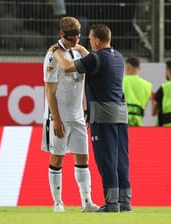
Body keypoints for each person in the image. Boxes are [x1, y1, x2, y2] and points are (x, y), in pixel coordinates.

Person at [51, 24, 132, 212]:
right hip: (121, 113)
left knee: (106, 159)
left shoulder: (95, 58)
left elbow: (67, 66)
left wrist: (55, 51)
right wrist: (80, 48)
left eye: (89, 38)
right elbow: (94, 60)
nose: (88, 41)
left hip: (103, 115)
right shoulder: (117, 57)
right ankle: (125, 202)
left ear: (96, 40)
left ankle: (111, 204)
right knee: (121, 158)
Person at [41, 16, 99, 213]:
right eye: (72, 37)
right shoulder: (52, 55)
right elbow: (49, 90)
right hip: (60, 116)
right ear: (61, 34)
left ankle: (86, 201)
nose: (76, 40)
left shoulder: (77, 51)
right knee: (57, 158)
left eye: (78, 36)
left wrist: (81, 48)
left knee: (83, 158)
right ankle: (57, 202)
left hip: (77, 115)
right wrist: (56, 119)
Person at [123, 57, 152, 126]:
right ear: (139, 68)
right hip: (138, 122)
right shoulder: (147, 85)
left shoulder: (119, 81)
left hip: (121, 122)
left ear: (127, 67)